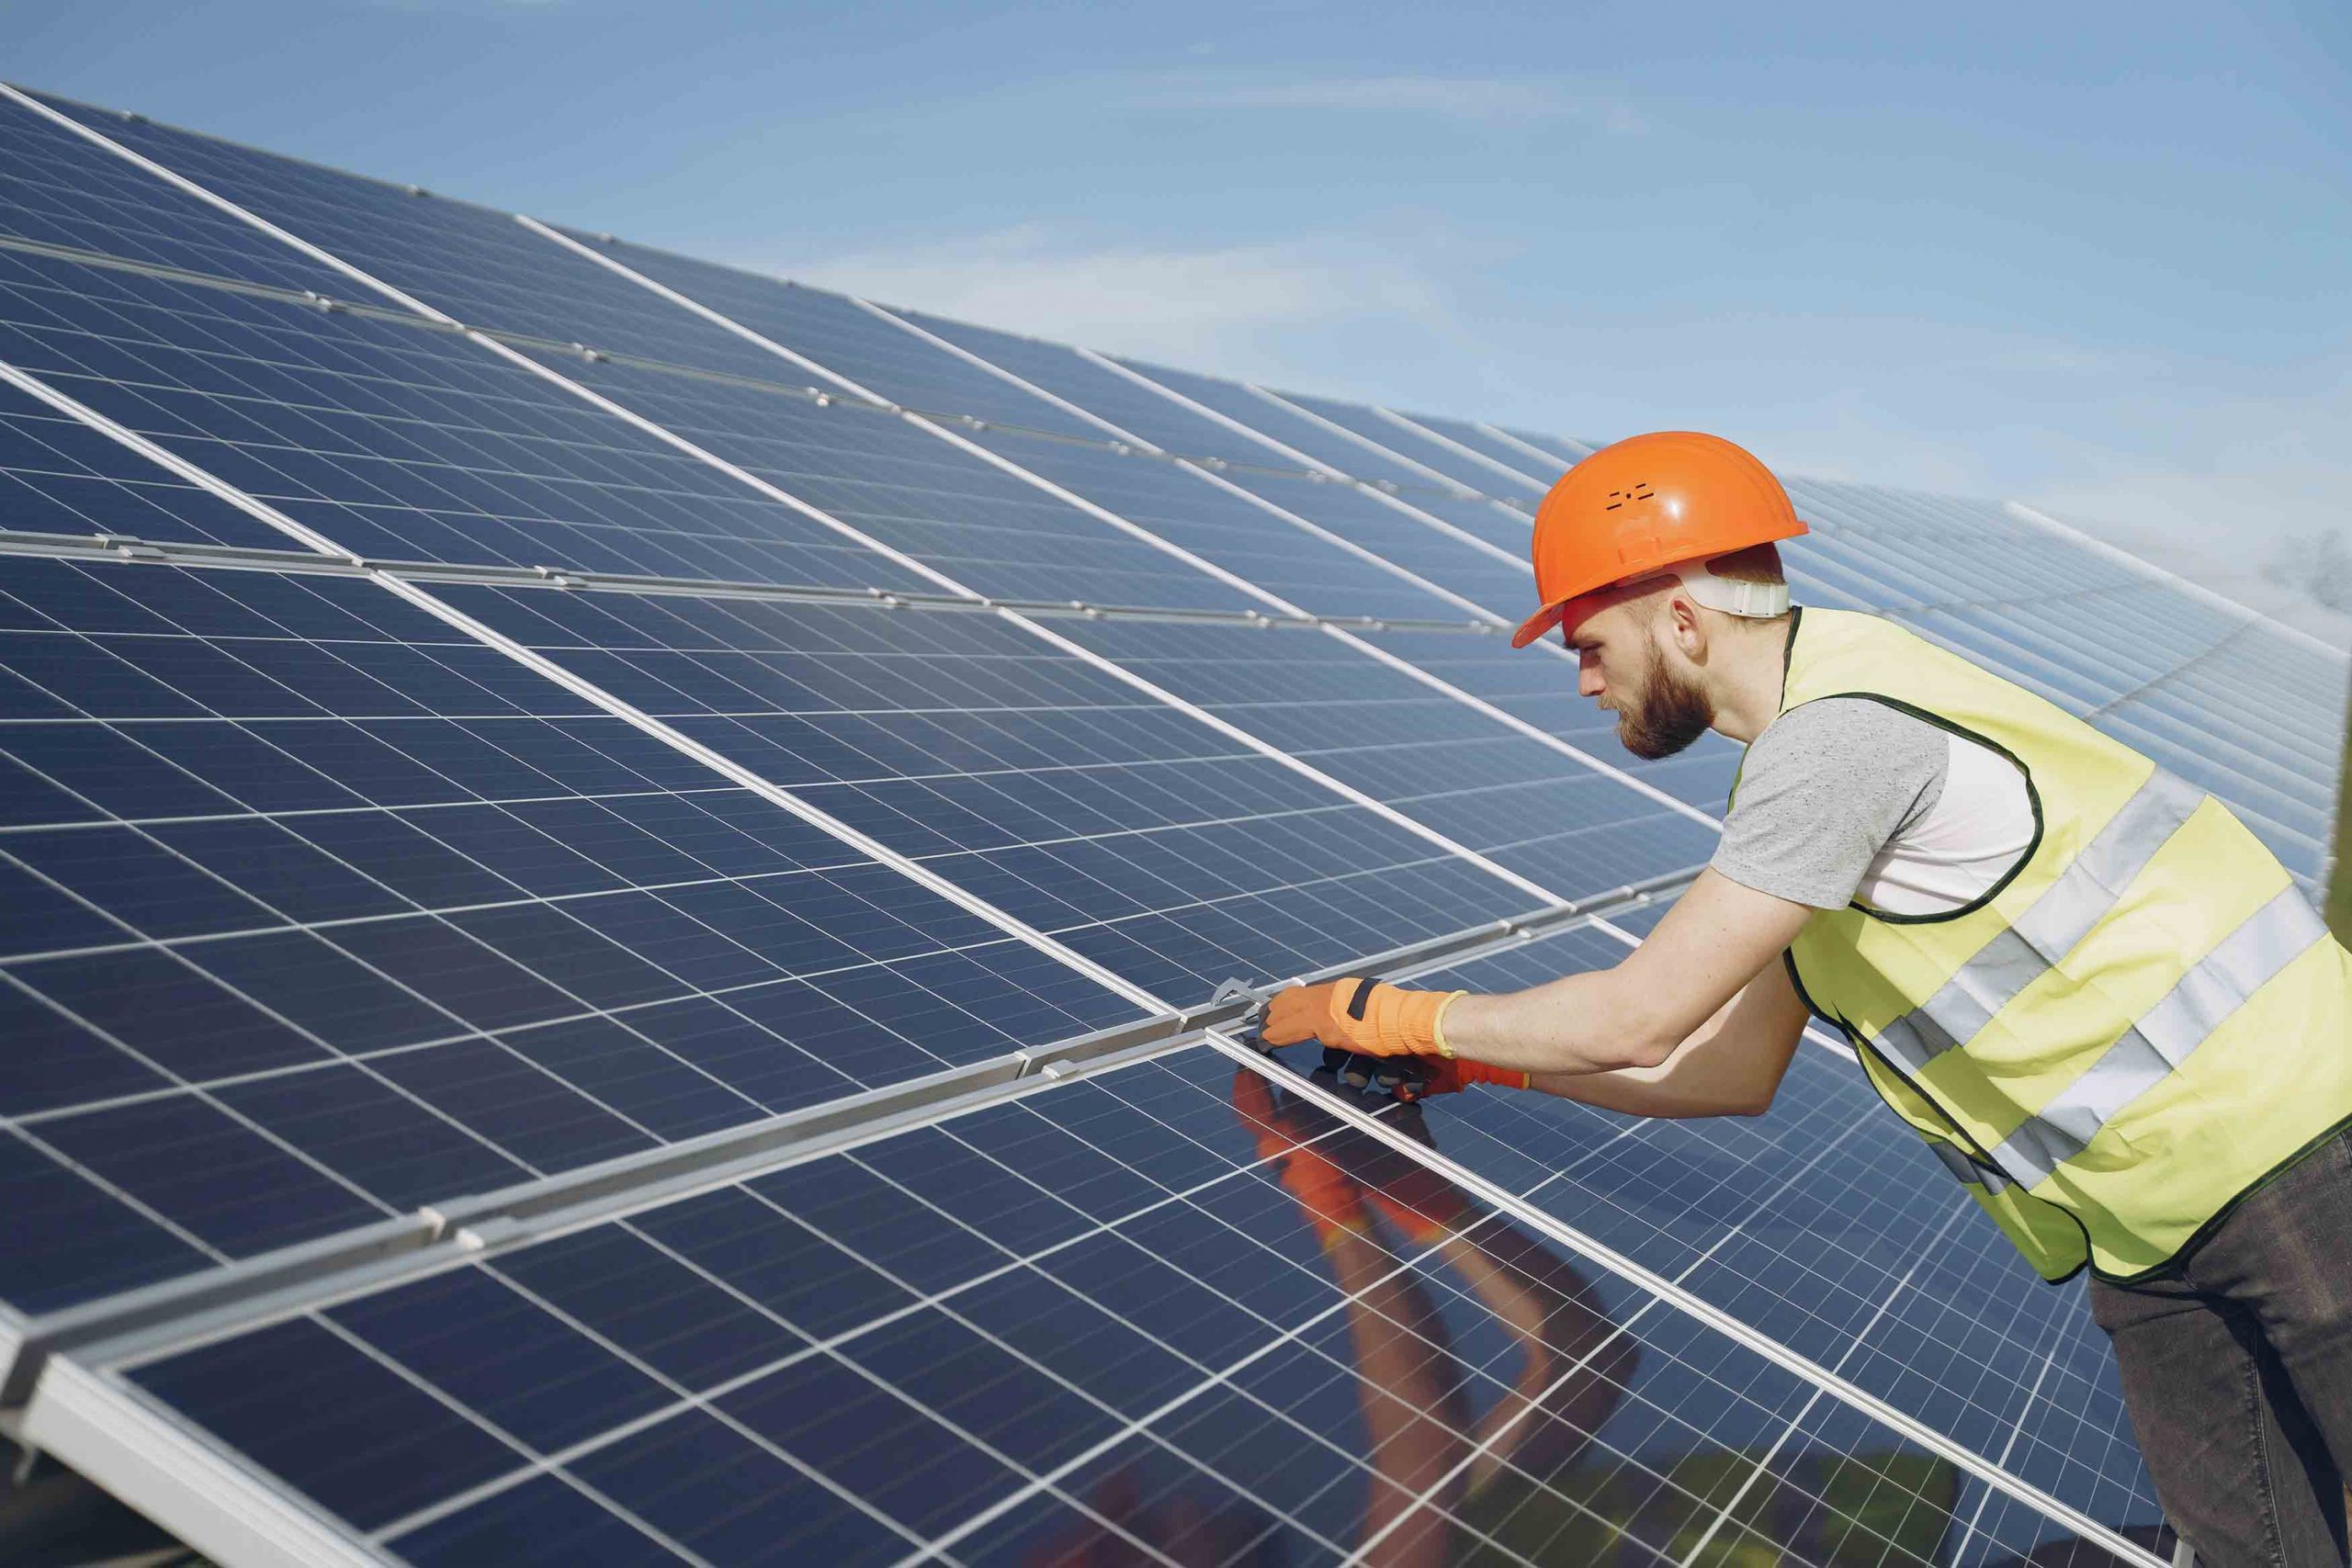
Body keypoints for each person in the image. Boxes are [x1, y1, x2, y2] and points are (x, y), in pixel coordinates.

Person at [1259, 432, 2352, 1568]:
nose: (1585, 681)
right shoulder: (1817, 750)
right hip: (2155, 1230)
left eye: (1588, 645)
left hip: (2303, 1157)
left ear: (1681, 618)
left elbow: (1637, 1016)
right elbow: (1722, 1070)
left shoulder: (1839, 744)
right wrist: (1480, 1066)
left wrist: (1383, 1013)